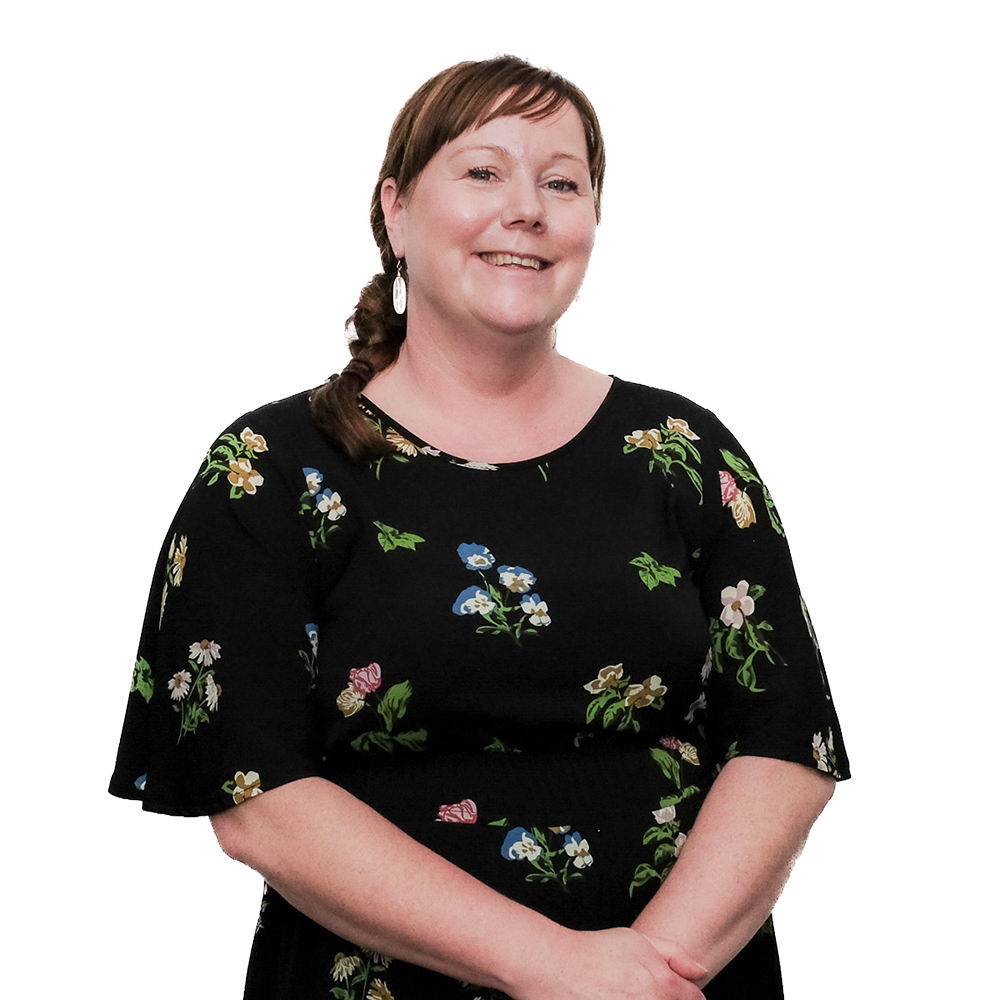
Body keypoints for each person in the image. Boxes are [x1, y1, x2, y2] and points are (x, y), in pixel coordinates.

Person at [109, 52, 851, 999]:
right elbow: (255, 794)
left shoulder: (685, 451)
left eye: (561, 182)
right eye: (483, 171)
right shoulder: (270, 468)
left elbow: (785, 745)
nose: (529, 209)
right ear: (394, 210)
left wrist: (644, 975)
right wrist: (554, 969)